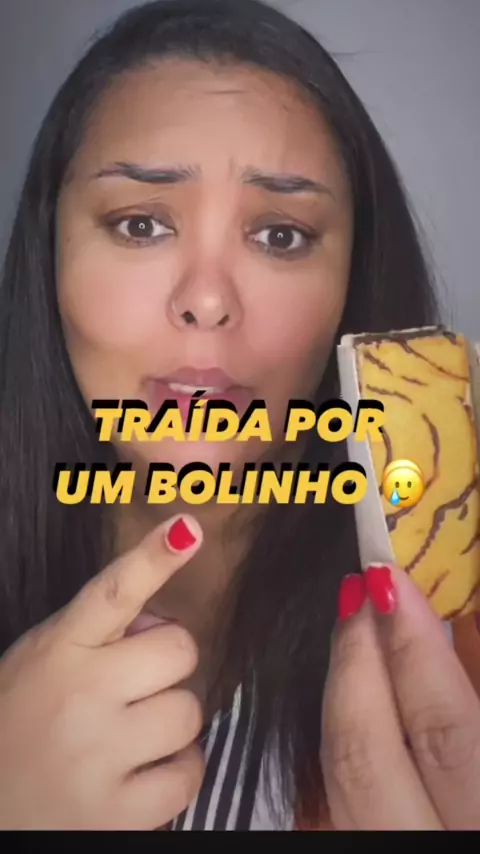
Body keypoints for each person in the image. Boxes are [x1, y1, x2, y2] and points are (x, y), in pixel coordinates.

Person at [0, 0, 479, 831]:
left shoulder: (461, 638)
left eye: (280, 236)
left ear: (352, 288)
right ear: (51, 258)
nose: (208, 301)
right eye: (141, 224)